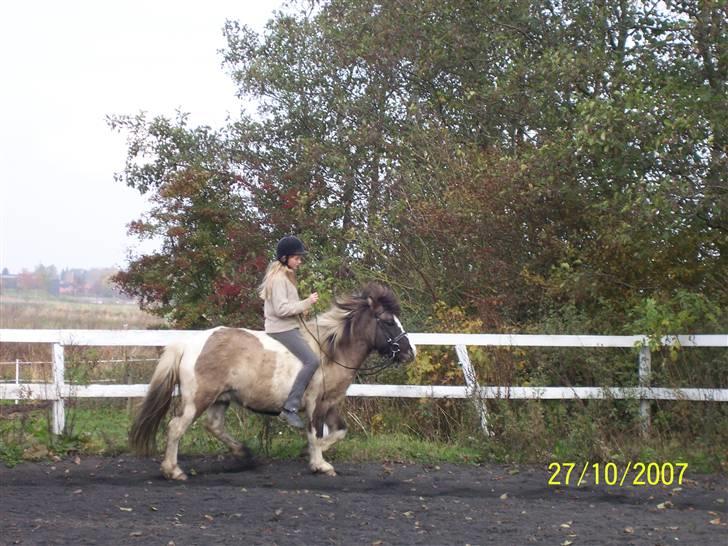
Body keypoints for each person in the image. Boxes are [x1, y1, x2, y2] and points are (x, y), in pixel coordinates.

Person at [258, 236, 320, 428]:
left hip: (289, 326)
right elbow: (282, 310)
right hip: (281, 329)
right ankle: (291, 407)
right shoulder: (278, 279)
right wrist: (306, 302)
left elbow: (288, 306)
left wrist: (302, 307)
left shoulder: (285, 276)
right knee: (312, 361)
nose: (299, 262)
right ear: (285, 258)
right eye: (297, 258)